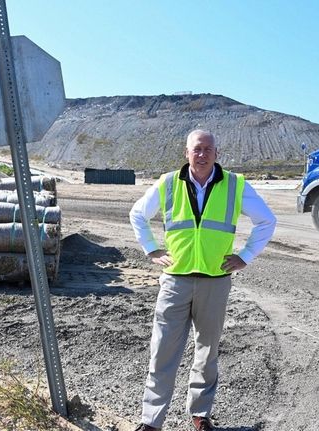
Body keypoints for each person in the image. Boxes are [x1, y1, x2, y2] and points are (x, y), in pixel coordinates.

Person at [129, 129, 276, 431]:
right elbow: (137, 214)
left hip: (215, 281)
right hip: (175, 280)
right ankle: (151, 422)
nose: (202, 153)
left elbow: (267, 220)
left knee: (207, 352)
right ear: (187, 153)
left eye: (208, 148)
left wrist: (246, 256)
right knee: (162, 352)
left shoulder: (235, 185)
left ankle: (200, 415)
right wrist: (152, 250)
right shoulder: (168, 183)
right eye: (197, 148)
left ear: (216, 154)